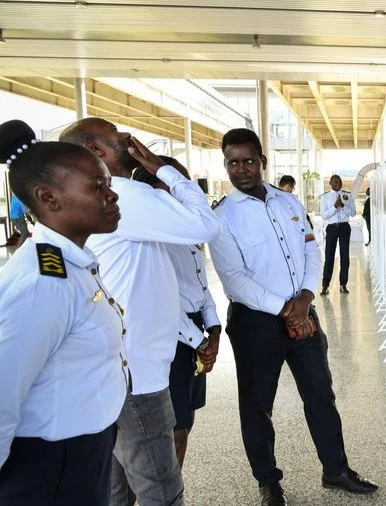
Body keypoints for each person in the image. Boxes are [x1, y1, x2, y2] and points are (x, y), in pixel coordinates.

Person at [209, 128, 377, 506]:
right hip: (256, 324)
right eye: (232, 162)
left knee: (321, 394)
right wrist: (288, 310)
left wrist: (304, 297)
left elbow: (310, 250)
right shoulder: (221, 217)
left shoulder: (288, 203)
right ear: (226, 165)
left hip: (303, 313)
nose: (241, 169)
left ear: (262, 161)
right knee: (257, 405)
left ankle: (336, 470)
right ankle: (268, 481)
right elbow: (234, 281)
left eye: (248, 160)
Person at [59, 117, 221, 506]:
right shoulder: (126, 195)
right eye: (117, 135)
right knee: (159, 489)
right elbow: (205, 224)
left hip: (116, 367)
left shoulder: (104, 200)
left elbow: (159, 284)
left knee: (116, 489)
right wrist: (162, 168)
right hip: (138, 375)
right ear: (97, 150)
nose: (129, 139)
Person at [0, 119, 127, 505]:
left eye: (108, 184)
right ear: (48, 197)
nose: (112, 196)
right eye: (98, 186)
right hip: (50, 466)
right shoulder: (44, 281)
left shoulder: (72, 263)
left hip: (83, 450)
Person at [132, 156, 221, 468]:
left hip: (195, 331)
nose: (181, 195)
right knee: (170, 431)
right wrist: (200, 341)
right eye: (173, 187)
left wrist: (214, 328)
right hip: (170, 336)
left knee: (184, 426)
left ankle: (171, 494)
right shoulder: (148, 238)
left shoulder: (186, 233)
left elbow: (200, 284)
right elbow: (158, 301)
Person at [319, 175, 356, 295]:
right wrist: (335, 207)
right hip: (332, 228)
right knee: (329, 257)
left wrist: (343, 206)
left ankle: (343, 284)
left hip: (345, 227)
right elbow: (324, 215)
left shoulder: (347, 195)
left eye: (340, 181)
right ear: (330, 183)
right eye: (335, 181)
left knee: (345, 257)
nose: (338, 183)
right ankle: (325, 286)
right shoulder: (325, 197)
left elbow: (353, 213)